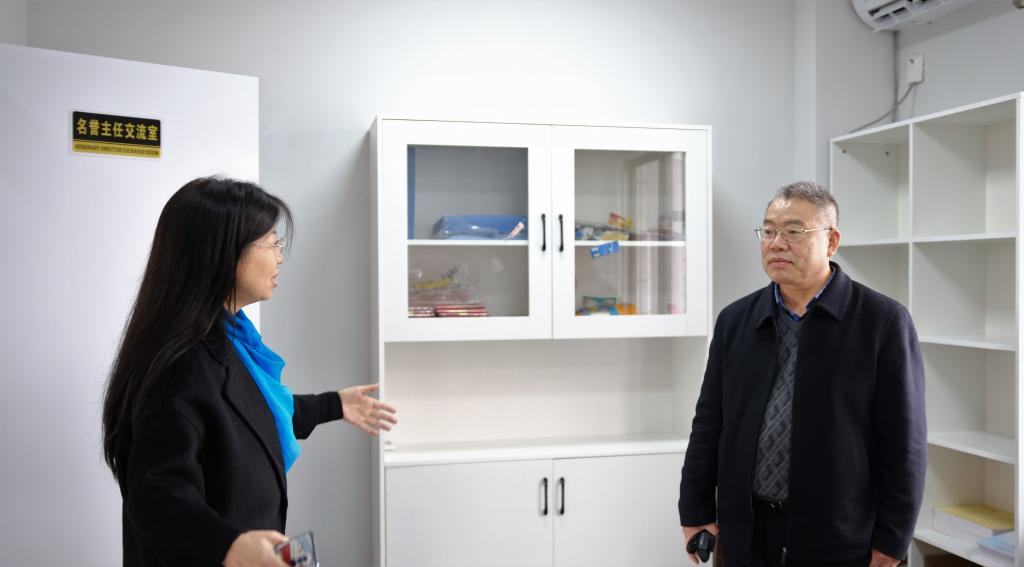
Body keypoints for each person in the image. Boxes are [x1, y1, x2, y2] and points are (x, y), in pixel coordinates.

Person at [101, 176, 397, 566]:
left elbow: (251, 412)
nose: (279, 257)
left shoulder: (226, 339)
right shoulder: (179, 368)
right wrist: (228, 546)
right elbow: (157, 493)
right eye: (271, 243)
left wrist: (335, 405)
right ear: (223, 252)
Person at [678, 181, 926, 567]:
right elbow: (709, 423)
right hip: (746, 534)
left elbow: (905, 443)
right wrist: (695, 509)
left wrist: (893, 540)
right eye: (768, 231)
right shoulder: (736, 320)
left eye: (794, 232)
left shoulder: (882, 322)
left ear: (831, 241)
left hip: (839, 537)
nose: (776, 243)